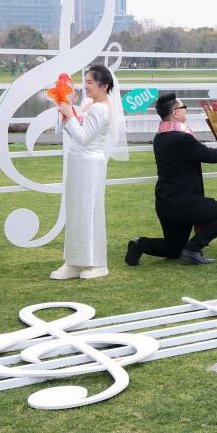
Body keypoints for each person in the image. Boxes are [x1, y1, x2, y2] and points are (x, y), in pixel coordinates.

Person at [125, 93, 217, 266]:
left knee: (174, 248)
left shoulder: (161, 136)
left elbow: (196, 152)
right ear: (175, 113)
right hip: (185, 202)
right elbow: (208, 156)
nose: (186, 110)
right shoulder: (181, 137)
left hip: (166, 203)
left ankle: (140, 244)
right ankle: (193, 249)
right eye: (184, 107)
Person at [50, 64, 127, 280]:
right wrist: (68, 115)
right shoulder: (91, 105)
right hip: (79, 162)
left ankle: (96, 263)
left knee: (88, 212)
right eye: (85, 81)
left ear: (104, 85)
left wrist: (69, 116)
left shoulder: (100, 108)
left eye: (90, 82)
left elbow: (84, 137)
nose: (85, 86)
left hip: (89, 165)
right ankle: (74, 262)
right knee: (76, 211)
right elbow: (79, 132)